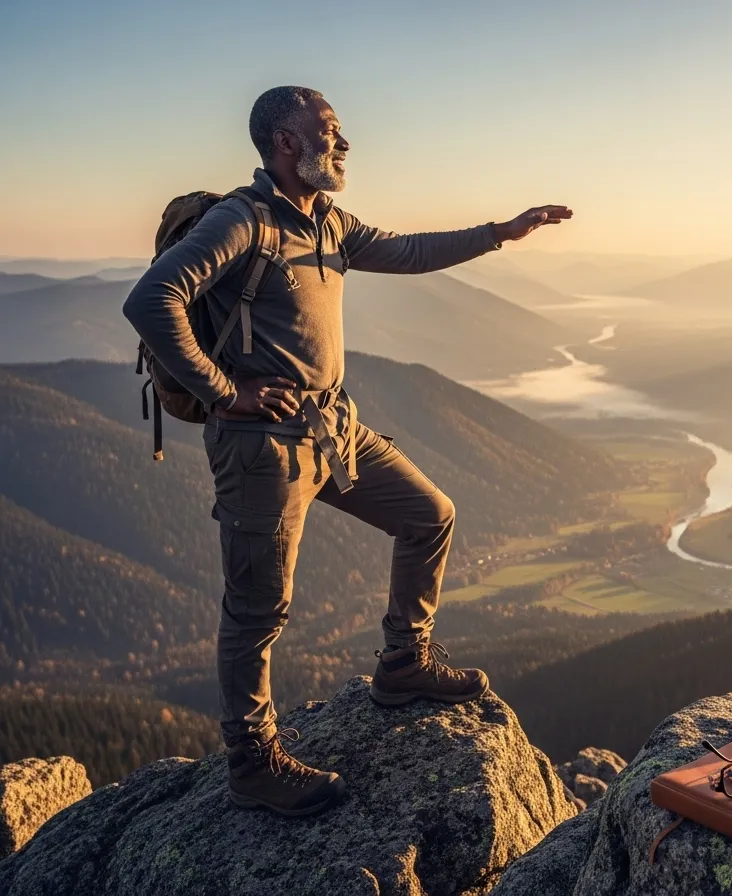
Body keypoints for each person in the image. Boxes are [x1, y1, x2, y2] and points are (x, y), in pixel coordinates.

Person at [123, 85, 572, 817]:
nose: (346, 142)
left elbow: (410, 250)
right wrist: (222, 390)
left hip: (329, 429)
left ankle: (403, 662)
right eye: (329, 129)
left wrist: (501, 231)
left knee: (430, 515)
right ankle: (252, 762)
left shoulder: (329, 223)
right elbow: (151, 299)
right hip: (262, 448)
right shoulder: (246, 222)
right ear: (286, 144)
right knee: (257, 609)